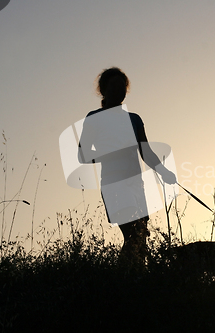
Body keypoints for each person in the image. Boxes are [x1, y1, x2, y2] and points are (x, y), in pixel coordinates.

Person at [78, 67, 176, 267]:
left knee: (140, 237)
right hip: (114, 184)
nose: (119, 90)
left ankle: (133, 280)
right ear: (103, 90)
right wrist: (111, 155)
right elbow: (83, 155)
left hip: (136, 184)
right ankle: (123, 281)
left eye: (122, 86)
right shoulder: (94, 117)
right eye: (114, 86)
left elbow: (146, 152)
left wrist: (164, 171)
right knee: (133, 236)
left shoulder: (134, 119)